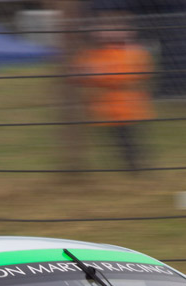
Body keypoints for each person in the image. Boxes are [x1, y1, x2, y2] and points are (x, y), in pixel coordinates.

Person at [75, 13, 153, 173]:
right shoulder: (92, 53)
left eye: (116, 30)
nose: (109, 34)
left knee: (130, 142)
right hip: (105, 108)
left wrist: (101, 76)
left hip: (129, 109)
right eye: (103, 30)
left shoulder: (133, 52)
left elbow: (133, 73)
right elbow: (82, 73)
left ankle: (137, 170)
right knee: (115, 143)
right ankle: (129, 168)